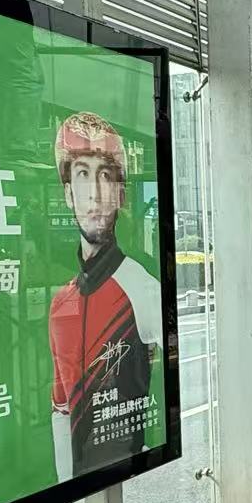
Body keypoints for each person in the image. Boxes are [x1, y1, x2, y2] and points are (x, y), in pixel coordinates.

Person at [49, 111, 162, 482]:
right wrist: (66, 487)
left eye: (106, 176)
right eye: (82, 174)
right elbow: (61, 408)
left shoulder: (142, 286)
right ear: (68, 193)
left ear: (120, 194)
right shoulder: (61, 303)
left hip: (134, 474)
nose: (95, 194)